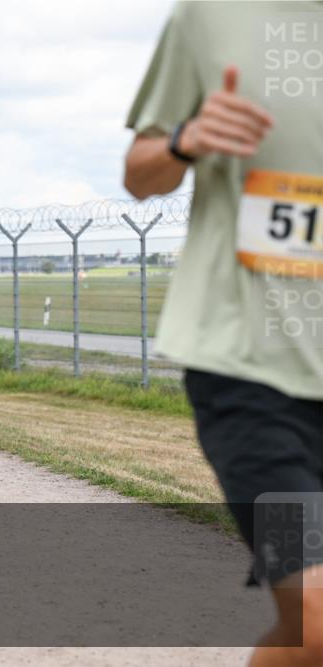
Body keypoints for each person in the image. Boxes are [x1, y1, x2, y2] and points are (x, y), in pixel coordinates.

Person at [124, 4, 322, 665]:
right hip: (249, 374)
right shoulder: (209, 16)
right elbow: (140, 169)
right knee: (317, 616)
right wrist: (185, 138)